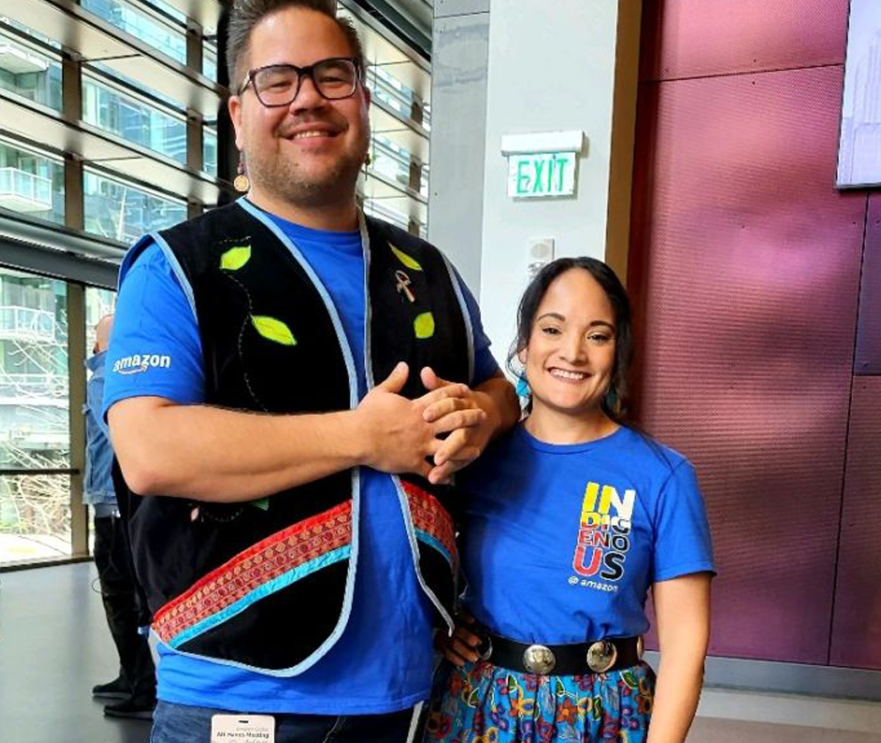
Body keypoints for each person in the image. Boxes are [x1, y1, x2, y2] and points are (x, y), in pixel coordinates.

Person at [104, 1, 519, 741]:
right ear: (237, 115)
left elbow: (495, 387)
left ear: (362, 100)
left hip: (412, 690)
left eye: (332, 76)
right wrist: (361, 437)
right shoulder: (178, 266)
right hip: (236, 692)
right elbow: (148, 449)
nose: (307, 98)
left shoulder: (427, 272)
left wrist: (484, 415)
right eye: (277, 80)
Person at [423, 258, 715, 743]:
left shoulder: (664, 477)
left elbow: (686, 646)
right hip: (477, 707)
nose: (572, 352)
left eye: (597, 336)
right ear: (525, 344)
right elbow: (418, 562)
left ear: (617, 350)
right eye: (552, 329)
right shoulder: (474, 459)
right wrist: (439, 627)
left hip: (606, 717)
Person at [84, 314, 157, 720]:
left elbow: (117, 438)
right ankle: (129, 675)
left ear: (98, 346)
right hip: (116, 504)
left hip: (112, 509)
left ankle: (141, 686)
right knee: (123, 599)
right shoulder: (127, 379)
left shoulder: (102, 380)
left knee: (120, 599)